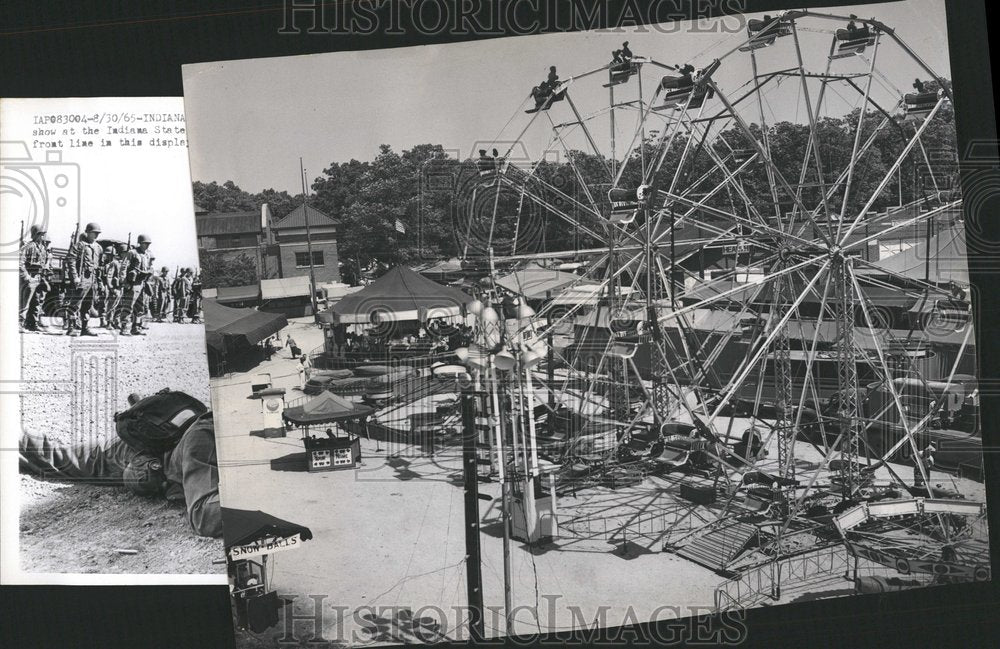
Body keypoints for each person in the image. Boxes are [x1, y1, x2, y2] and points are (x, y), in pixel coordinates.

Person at [18, 392, 222, 538]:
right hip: (133, 452)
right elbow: (204, 517)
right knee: (57, 457)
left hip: (171, 438)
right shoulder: (204, 437)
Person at [65, 222, 105, 337]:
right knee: (75, 303)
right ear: (87, 232)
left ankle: (85, 328)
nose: (96, 235)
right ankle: (71, 327)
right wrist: (75, 277)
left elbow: (99, 267)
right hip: (82, 278)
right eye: (94, 232)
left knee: (88, 304)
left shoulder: (98, 248)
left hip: (93, 280)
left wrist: (100, 282)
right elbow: (71, 260)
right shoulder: (80, 245)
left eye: (97, 233)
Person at [120, 234, 154, 336]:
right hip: (133, 283)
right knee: (128, 306)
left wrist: (149, 275)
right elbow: (124, 267)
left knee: (140, 307)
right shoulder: (132, 253)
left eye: (148, 244)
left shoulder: (147, 255)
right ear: (140, 243)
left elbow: (150, 267)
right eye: (145, 243)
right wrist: (124, 282)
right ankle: (124, 328)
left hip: (143, 283)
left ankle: (136, 327)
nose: (147, 246)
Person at [19, 224, 51, 333]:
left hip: (39, 277)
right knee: (25, 303)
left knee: (37, 302)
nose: (43, 237)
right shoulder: (29, 247)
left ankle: (33, 324)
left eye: (43, 235)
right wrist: (27, 277)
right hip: (30, 278)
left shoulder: (43, 248)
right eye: (41, 235)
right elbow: (20, 263)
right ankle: (19, 324)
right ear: (36, 235)